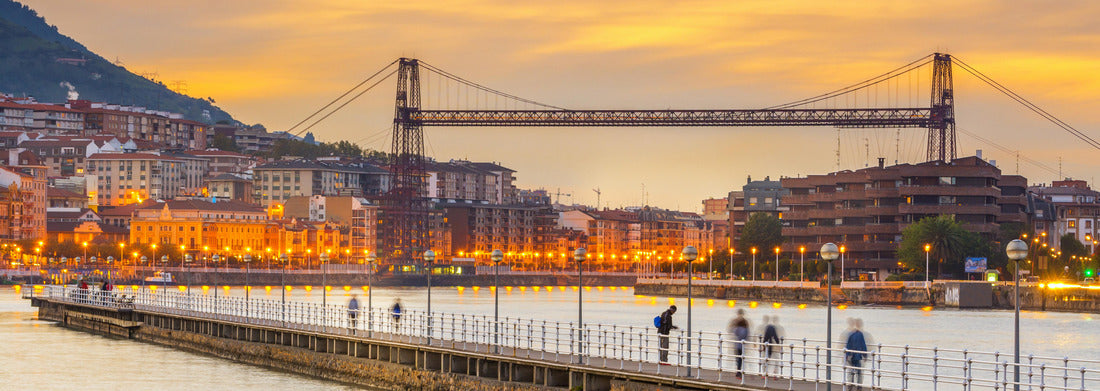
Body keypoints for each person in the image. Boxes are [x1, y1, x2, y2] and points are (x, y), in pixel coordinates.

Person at [844, 318, 870, 390]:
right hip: (857, 356)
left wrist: (847, 355)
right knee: (859, 372)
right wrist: (865, 355)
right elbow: (863, 345)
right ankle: (859, 386)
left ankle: (850, 385)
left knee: (851, 371)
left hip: (851, 356)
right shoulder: (860, 334)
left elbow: (848, 345)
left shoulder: (850, 334)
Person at [726, 309, 750, 378]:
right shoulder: (745, 326)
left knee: (737, 358)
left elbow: (731, 331)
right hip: (742, 344)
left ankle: (738, 371)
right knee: (741, 358)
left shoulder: (735, 324)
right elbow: (747, 334)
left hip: (736, 344)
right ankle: (739, 371)